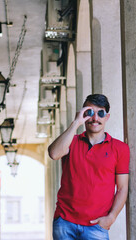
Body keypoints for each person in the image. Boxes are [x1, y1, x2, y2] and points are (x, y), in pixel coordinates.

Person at [48, 94, 130, 240]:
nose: (95, 118)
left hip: (96, 226)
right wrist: (76, 122)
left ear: (107, 117)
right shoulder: (71, 142)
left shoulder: (120, 148)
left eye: (101, 113)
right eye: (90, 112)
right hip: (65, 223)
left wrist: (111, 217)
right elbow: (54, 153)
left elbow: (122, 188)